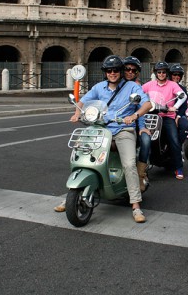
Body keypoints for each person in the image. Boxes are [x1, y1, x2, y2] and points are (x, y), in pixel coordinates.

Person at [56, 55, 152, 223]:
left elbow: (147, 104)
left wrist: (134, 115)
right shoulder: (99, 87)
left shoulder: (131, 87)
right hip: (101, 128)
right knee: (82, 154)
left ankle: (136, 205)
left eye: (116, 70)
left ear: (121, 72)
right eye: (109, 70)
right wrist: (78, 112)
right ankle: (72, 194)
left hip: (123, 130)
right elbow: (84, 100)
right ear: (105, 73)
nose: (112, 73)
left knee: (129, 164)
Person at [142, 61, 187, 179]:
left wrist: (175, 107)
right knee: (142, 139)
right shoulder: (149, 84)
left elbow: (183, 95)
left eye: (163, 72)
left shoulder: (172, 84)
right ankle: (141, 169)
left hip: (167, 117)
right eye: (159, 72)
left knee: (174, 140)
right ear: (156, 73)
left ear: (166, 73)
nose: (161, 74)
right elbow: (139, 93)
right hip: (150, 116)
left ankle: (178, 168)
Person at [123, 55, 149, 192]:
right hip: (114, 122)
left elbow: (142, 107)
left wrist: (142, 126)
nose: (130, 72)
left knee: (145, 140)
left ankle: (140, 175)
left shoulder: (137, 87)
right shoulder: (116, 83)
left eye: (133, 70)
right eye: (127, 69)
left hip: (134, 121)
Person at [169, 64, 188, 146]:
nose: (176, 77)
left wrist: (178, 116)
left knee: (185, 125)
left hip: (178, 114)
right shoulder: (166, 86)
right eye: (174, 74)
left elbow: (184, 106)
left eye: (179, 75)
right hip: (165, 113)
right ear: (170, 75)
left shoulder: (183, 89)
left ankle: (178, 146)